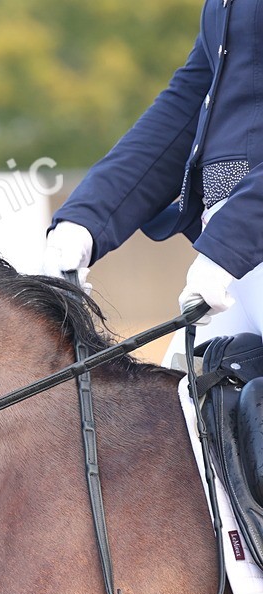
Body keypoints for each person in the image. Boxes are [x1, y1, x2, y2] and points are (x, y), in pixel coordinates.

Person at [42, 0, 263, 361]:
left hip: (236, 249)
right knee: (178, 400)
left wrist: (229, 246)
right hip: (236, 268)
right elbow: (187, 106)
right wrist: (84, 220)